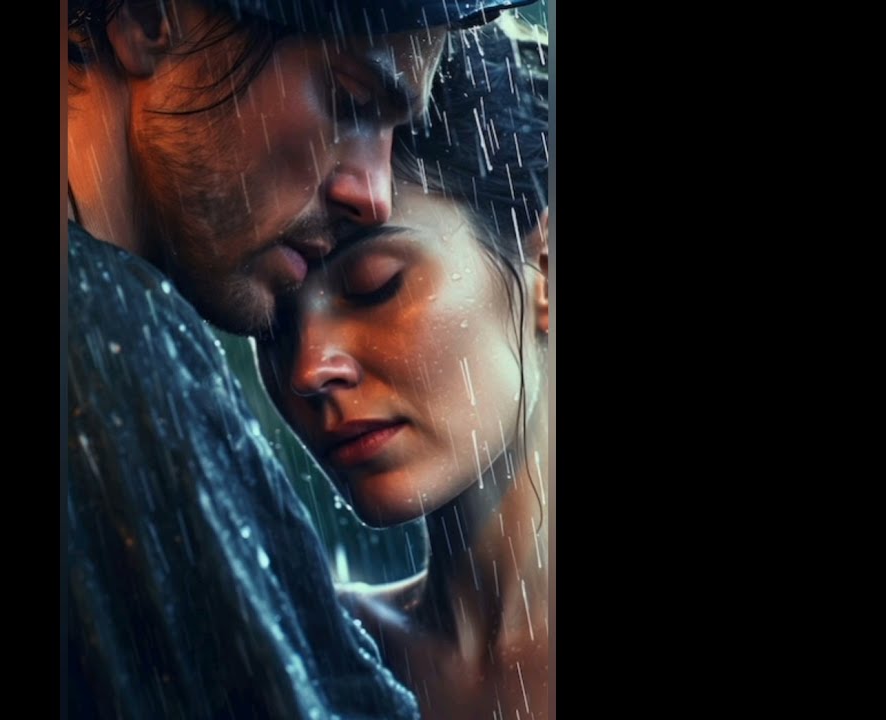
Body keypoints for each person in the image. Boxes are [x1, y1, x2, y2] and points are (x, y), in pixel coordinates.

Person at [64, 2, 535, 717]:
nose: (373, 194)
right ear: (148, 16)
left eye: (374, 287)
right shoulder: (107, 335)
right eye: (350, 101)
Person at [253, 21, 550, 719]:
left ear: (543, 267)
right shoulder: (302, 647)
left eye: (374, 286)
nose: (307, 369)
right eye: (271, 326)